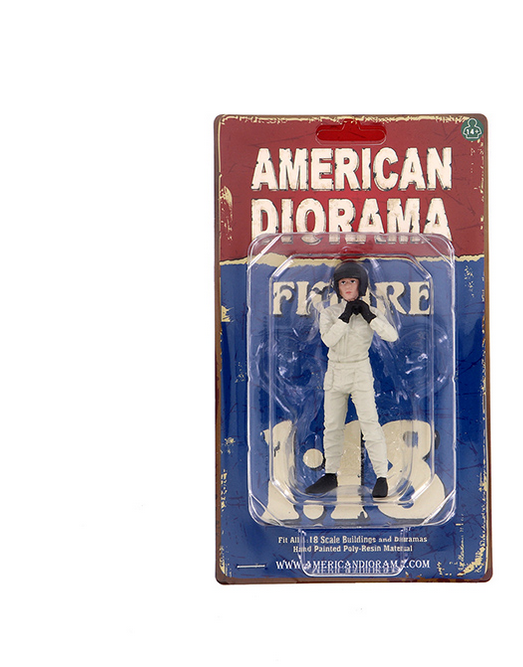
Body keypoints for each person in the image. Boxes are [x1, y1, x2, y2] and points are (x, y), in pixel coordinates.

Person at [305, 261, 398, 498]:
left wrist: (370, 317)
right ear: (337, 287)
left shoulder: (371, 312)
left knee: (370, 423)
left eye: (352, 281)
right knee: (332, 425)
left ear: (361, 284)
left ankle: (381, 476)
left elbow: (391, 335)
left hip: (359, 370)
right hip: (336, 371)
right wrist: (344, 317)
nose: (347, 286)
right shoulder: (329, 313)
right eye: (343, 282)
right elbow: (328, 340)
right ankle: (330, 474)